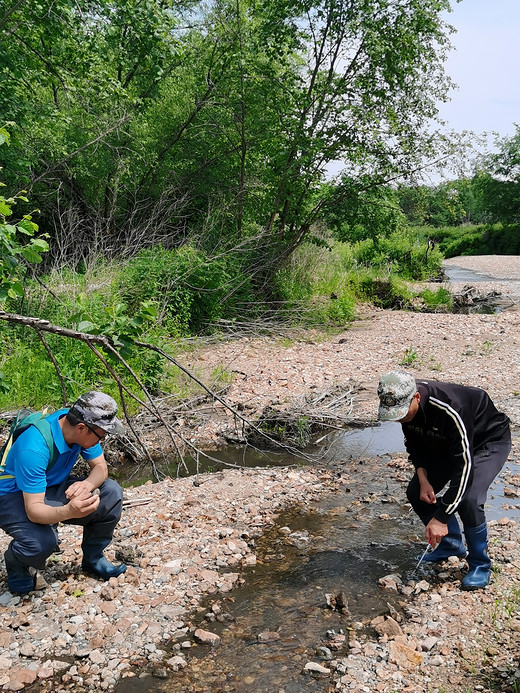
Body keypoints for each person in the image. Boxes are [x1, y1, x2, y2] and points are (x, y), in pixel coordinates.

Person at [377, 371, 511, 591]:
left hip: (485, 442)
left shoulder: (451, 407)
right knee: (415, 492)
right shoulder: (404, 406)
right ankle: (451, 545)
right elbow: (415, 446)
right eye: (394, 415)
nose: (400, 419)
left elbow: (464, 466)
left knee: (469, 499)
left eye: (402, 413)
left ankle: (480, 564)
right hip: (446, 444)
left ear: (416, 398)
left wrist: (440, 517)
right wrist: (423, 479)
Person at [0, 392, 127, 595]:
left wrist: (86, 485)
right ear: (81, 428)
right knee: (42, 543)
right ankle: (17, 562)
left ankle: (93, 559)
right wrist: (68, 511)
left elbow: (101, 468)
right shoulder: (33, 448)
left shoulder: (75, 424)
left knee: (111, 493)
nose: (102, 440)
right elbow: (34, 510)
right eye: (101, 435)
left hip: (50, 485)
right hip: (13, 495)